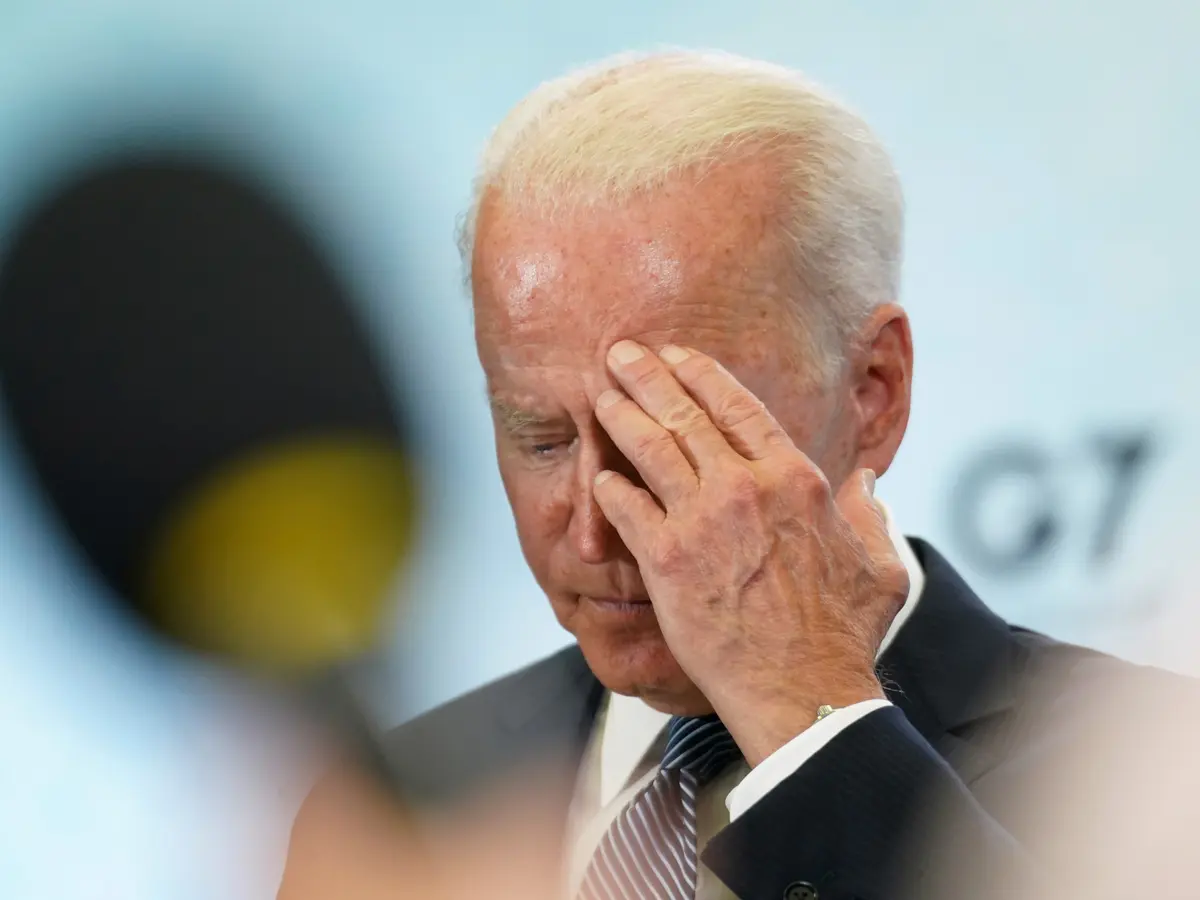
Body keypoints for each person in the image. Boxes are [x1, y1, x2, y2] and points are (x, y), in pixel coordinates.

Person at [279, 50, 1193, 900]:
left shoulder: (1148, 772)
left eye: (666, 438)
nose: (594, 533)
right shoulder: (394, 816)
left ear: (873, 390)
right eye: (541, 439)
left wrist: (810, 719)